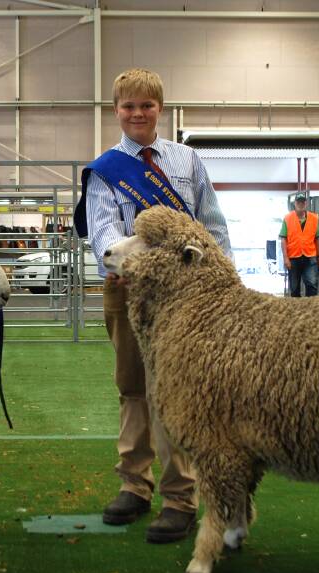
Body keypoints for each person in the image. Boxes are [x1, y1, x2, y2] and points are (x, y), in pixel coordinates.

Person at [76, 68, 232, 543]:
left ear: (160, 108)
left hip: (185, 294)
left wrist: (224, 274)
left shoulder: (187, 160)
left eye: (146, 105)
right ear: (116, 110)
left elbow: (211, 224)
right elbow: (105, 238)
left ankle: (181, 495)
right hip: (127, 290)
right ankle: (134, 485)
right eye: (128, 105)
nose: (137, 113)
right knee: (133, 387)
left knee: (179, 390)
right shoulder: (104, 169)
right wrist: (143, 266)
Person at [280, 193, 319, 297]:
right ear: (295, 203)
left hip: (310, 257)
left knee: (312, 285)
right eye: (298, 202)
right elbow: (283, 239)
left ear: (306, 203)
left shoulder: (314, 218)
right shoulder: (287, 218)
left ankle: (310, 310)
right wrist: (285, 258)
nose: (300, 204)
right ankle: (296, 312)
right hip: (293, 258)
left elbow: (317, 239)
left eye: (303, 201)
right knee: (294, 288)